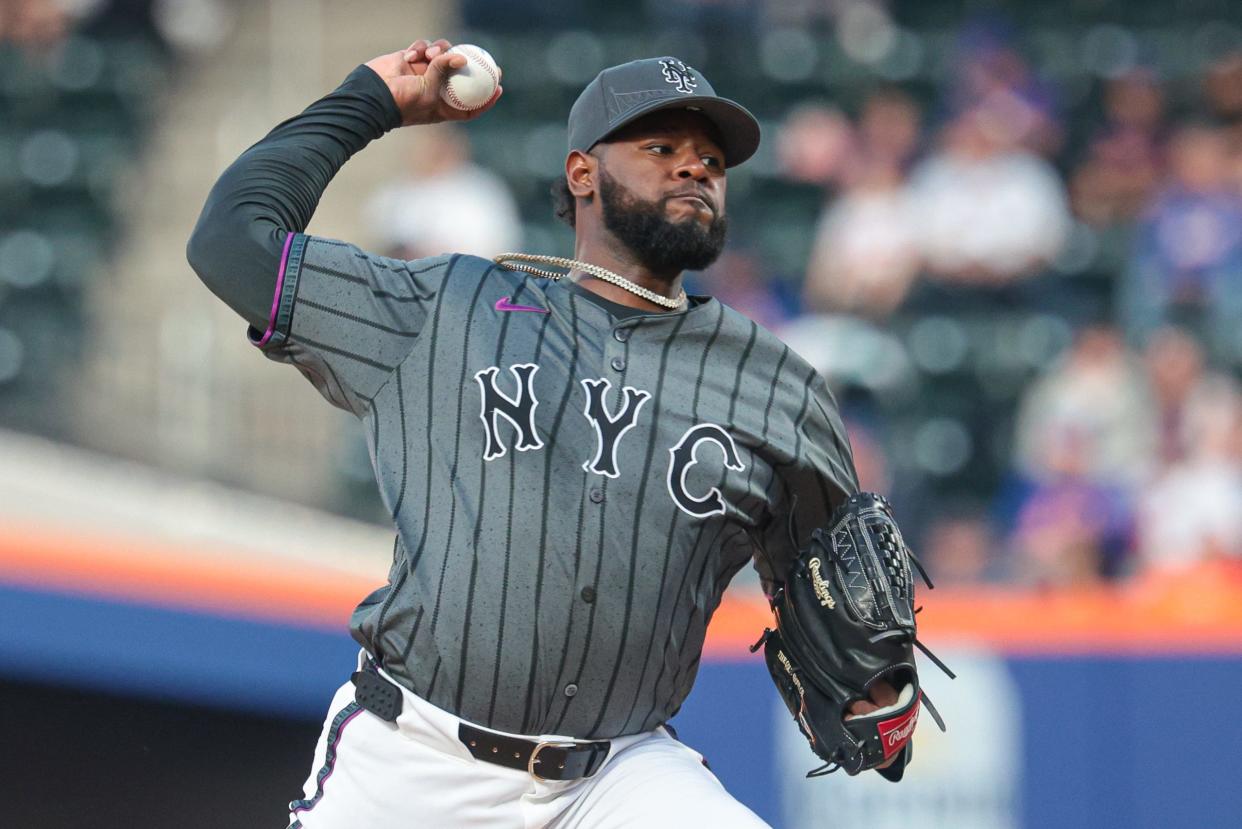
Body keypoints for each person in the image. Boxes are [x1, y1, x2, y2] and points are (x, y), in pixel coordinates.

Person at [187, 38, 900, 828]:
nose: (695, 167)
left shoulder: (776, 384)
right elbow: (231, 241)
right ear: (581, 173)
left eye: (711, 159)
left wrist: (871, 681)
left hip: (618, 775)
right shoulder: (447, 307)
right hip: (413, 760)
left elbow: (827, 578)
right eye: (661, 146)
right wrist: (369, 103)